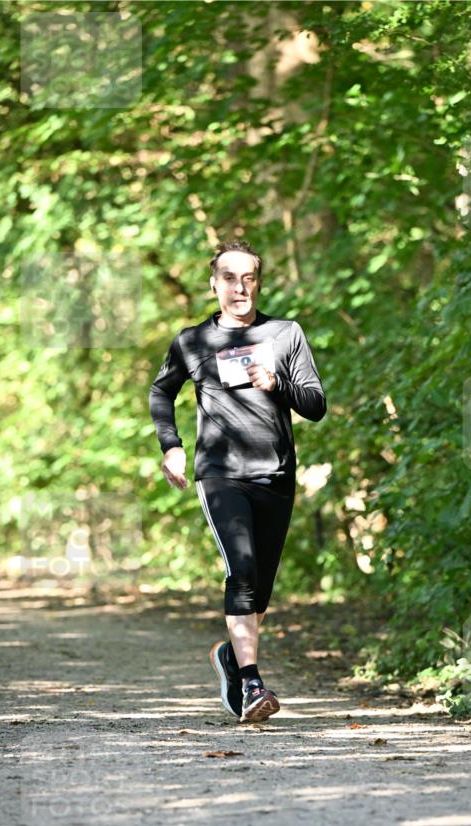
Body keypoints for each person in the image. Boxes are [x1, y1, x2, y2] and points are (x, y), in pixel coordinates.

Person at [148, 240, 326, 722]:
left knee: (261, 587)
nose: (240, 287)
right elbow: (161, 391)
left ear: (258, 283)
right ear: (214, 284)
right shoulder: (192, 341)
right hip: (220, 474)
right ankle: (251, 684)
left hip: (276, 473)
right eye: (230, 277)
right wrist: (172, 446)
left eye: (249, 278)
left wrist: (278, 384)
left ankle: (231, 657)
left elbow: (315, 404)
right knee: (241, 570)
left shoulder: (285, 334)